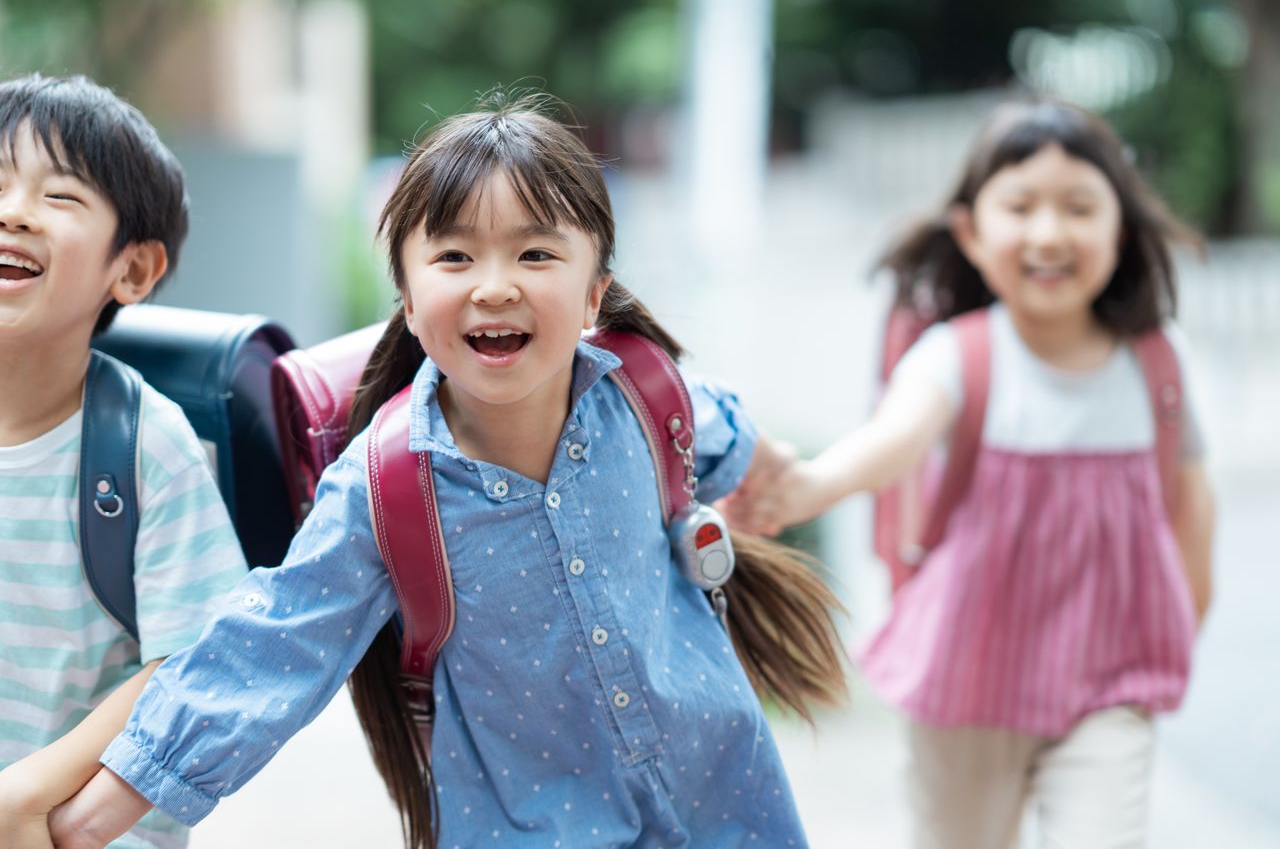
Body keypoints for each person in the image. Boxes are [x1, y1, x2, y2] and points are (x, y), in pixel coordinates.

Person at [51, 92, 846, 849]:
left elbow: (739, 439)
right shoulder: (384, 489)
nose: (494, 287)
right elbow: (264, 652)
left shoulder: (646, 394)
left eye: (536, 253)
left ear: (594, 294)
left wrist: (791, 481)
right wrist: (85, 821)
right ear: (406, 296)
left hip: (732, 807)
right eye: (455, 256)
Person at [723, 98, 1215, 848]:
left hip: (1110, 687)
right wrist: (811, 487)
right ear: (971, 234)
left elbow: (1194, 507)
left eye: (1079, 207)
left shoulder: (1157, 364)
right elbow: (893, 439)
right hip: (967, 681)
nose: (1048, 232)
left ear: (1119, 229)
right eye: (1020, 206)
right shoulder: (960, 355)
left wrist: (1176, 630)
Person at [0, 74, 249, 849]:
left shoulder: (145, 446)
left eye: (59, 196)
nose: (13, 211)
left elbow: (196, 659)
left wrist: (24, 798)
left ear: (133, 271)